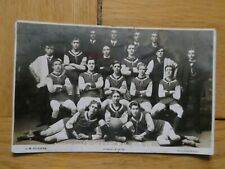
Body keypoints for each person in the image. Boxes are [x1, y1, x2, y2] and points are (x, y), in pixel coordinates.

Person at [17, 100, 102, 143]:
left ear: (98, 110)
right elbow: (69, 123)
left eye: (96, 108)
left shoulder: (95, 122)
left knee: (48, 140)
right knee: (44, 133)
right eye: (92, 107)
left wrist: (87, 137)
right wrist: (76, 135)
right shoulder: (81, 112)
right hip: (65, 124)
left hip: (68, 134)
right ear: (89, 107)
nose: (94, 109)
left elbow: (99, 135)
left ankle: (31, 137)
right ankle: (31, 132)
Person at [124, 101, 199, 146]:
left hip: (163, 126)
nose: (135, 111)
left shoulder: (145, 114)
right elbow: (128, 129)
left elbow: (151, 128)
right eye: (133, 109)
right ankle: (182, 142)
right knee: (162, 143)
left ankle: (186, 137)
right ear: (130, 109)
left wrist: (140, 135)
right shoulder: (132, 120)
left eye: (136, 109)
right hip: (158, 134)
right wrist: (134, 136)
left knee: (174, 138)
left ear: (139, 109)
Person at [178, 49, 206, 133]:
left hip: (195, 88)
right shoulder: (183, 64)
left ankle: (197, 127)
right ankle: (182, 126)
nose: (191, 55)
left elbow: (204, 76)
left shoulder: (199, 65)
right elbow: (179, 76)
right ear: (187, 55)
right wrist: (181, 86)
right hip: (185, 88)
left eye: (193, 53)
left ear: (195, 54)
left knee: (196, 107)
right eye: (190, 53)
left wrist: (197, 81)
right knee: (183, 107)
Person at [29, 43, 57, 126]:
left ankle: (50, 121)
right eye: (48, 48)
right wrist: (36, 77)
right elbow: (30, 67)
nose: (49, 50)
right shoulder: (40, 59)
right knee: (41, 102)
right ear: (45, 49)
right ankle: (42, 120)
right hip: (43, 83)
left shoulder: (56, 60)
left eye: (51, 48)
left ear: (53, 50)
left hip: (53, 84)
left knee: (51, 102)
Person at [150, 65, 183, 132]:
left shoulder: (176, 82)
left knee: (180, 111)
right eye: (167, 70)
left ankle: (173, 130)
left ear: (172, 72)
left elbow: (178, 96)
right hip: (163, 101)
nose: (168, 71)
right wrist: (172, 92)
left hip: (172, 101)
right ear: (165, 71)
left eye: (170, 70)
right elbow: (160, 94)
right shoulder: (162, 81)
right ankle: (156, 129)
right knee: (152, 112)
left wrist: (165, 92)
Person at [46, 58, 77, 124]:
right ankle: (52, 125)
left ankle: (71, 123)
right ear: (52, 67)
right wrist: (63, 87)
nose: (58, 66)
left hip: (65, 98)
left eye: (59, 64)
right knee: (56, 109)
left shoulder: (64, 76)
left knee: (74, 108)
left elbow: (69, 88)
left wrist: (57, 86)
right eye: (56, 64)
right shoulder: (49, 76)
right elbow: (51, 90)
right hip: (54, 99)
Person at [63, 37, 87, 102]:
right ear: (71, 43)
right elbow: (66, 67)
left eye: (77, 43)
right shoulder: (67, 53)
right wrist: (78, 66)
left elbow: (83, 68)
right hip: (70, 76)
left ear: (80, 44)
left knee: (79, 94)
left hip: (80, 76)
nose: (76, 44)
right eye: (74, 43)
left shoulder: (83, 54)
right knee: (71, 94)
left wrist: (72, 64)